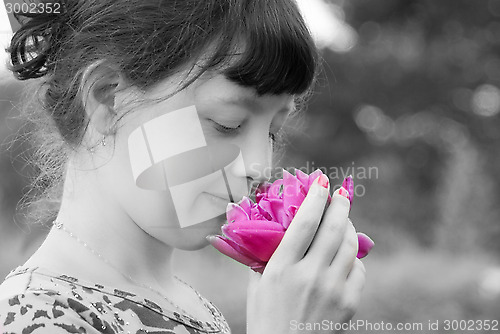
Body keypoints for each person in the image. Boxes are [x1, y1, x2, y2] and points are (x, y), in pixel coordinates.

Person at [0, 0, 366, 333]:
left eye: (272, 132)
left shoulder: (196, 308)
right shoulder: (36, 314)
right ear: (108, 98)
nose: (260, 166)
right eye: (228, 123)